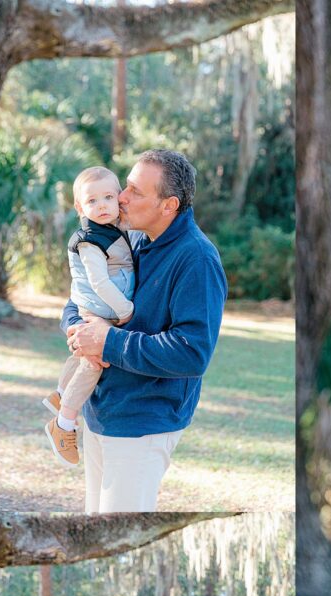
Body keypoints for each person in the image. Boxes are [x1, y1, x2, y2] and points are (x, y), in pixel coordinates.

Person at [61, 149, 228, 513]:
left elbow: (192, 352)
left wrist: (108, 341)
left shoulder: (197, 259)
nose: (121, 197)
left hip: (142, 425)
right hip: (101, 412)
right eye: (126, 186)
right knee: (96, 535)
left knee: (122, 547)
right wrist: (76, 327)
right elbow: (83, 292)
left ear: (168, 205)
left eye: (135, 191)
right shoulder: (131, 238)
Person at [44, 166, 135, 468]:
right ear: (80, 207)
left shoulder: (115, 226)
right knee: (93, 363)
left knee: (86, 355)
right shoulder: (89, 240)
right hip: (101, 309)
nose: (102, 206)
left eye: (109, 197)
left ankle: (60, 393)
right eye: (92, 201)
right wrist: (125, 309)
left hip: (100, 308)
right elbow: (98, 282)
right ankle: (64, 423)